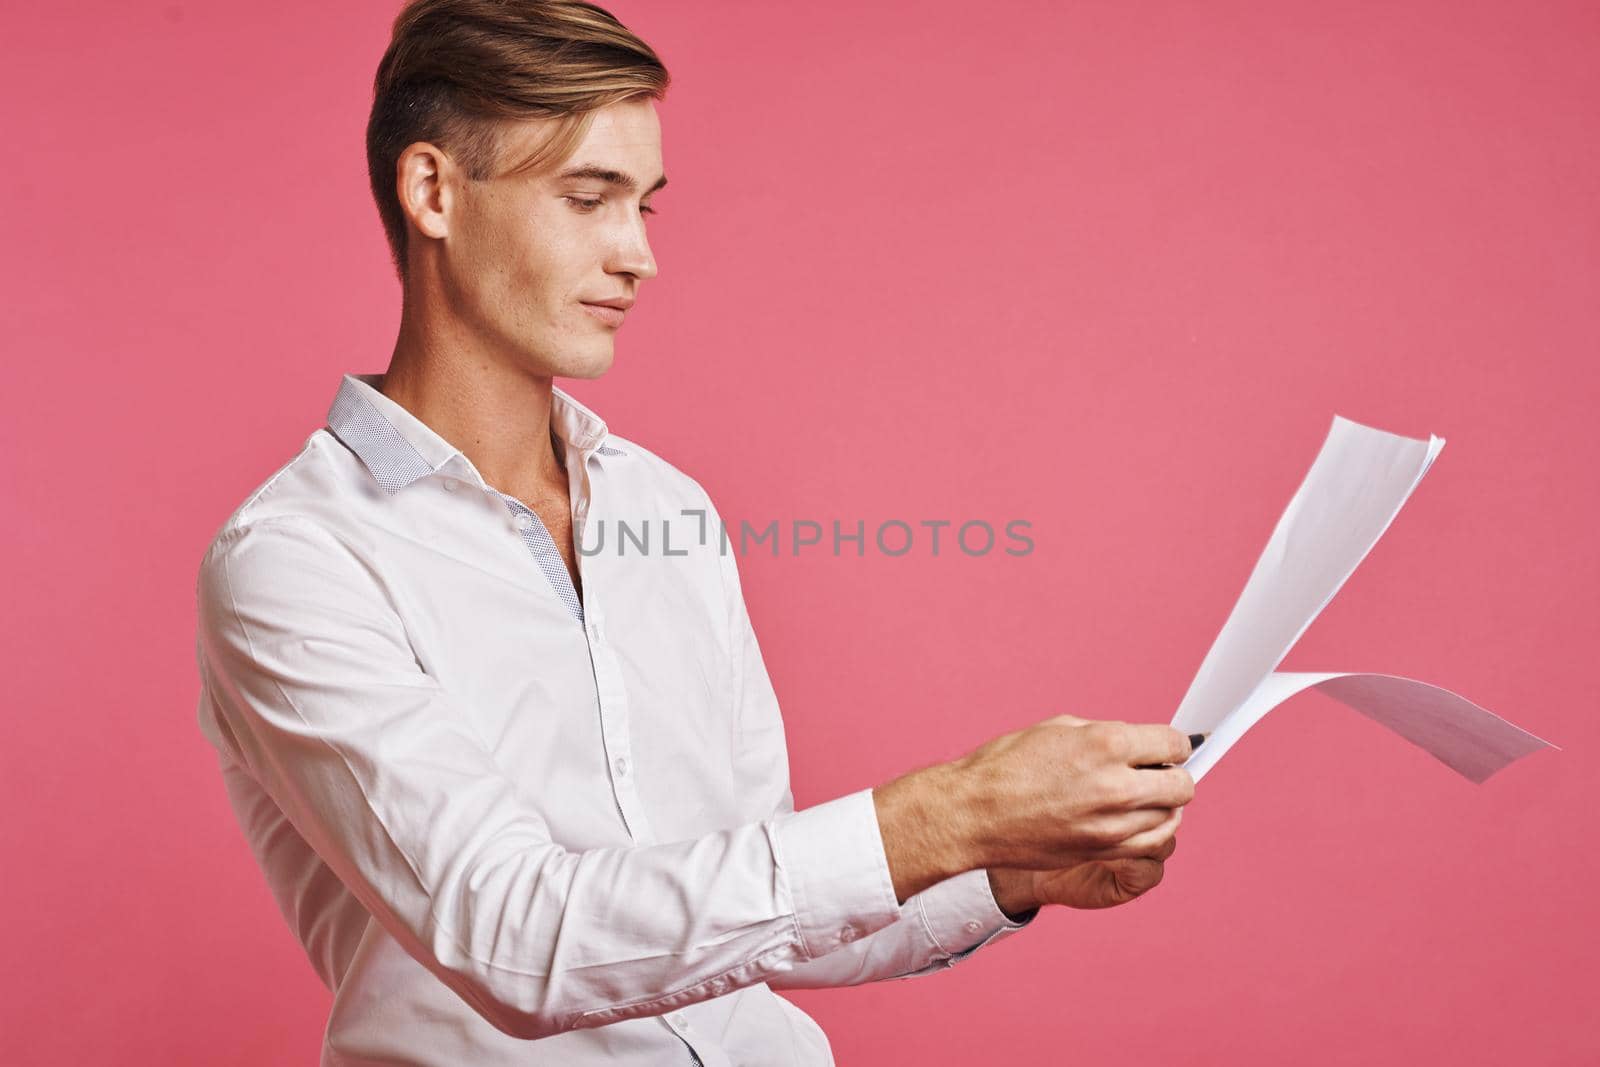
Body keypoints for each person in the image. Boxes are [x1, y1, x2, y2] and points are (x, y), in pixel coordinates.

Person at [192, 2, 1196, 1063]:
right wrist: (947, 809)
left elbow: (756, 907)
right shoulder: (295, 560)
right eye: (587, 199)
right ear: (434, 191)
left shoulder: (664, 510)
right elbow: (514, 938)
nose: (637, 257)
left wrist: (1004, 867)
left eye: (645, 206)